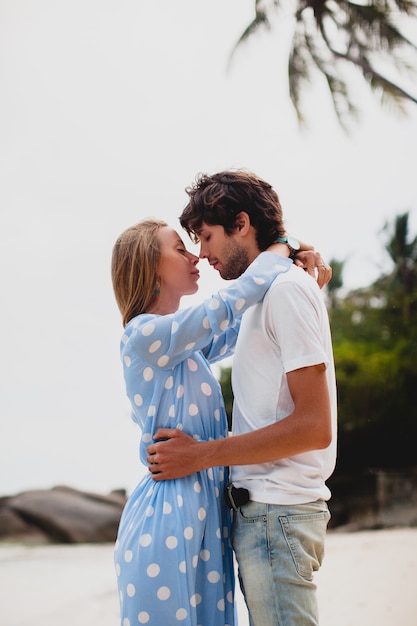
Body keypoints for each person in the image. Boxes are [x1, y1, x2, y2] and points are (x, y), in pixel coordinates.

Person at [111, 216, 327, 626]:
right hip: (169, 515)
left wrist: (301, 285)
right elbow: (230, 304)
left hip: (204, 513)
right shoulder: (143, 337)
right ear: (149, 266)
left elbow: (245, 324)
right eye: (179, 248)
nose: (194, 254)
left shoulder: (182, 350)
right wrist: (283, 245)